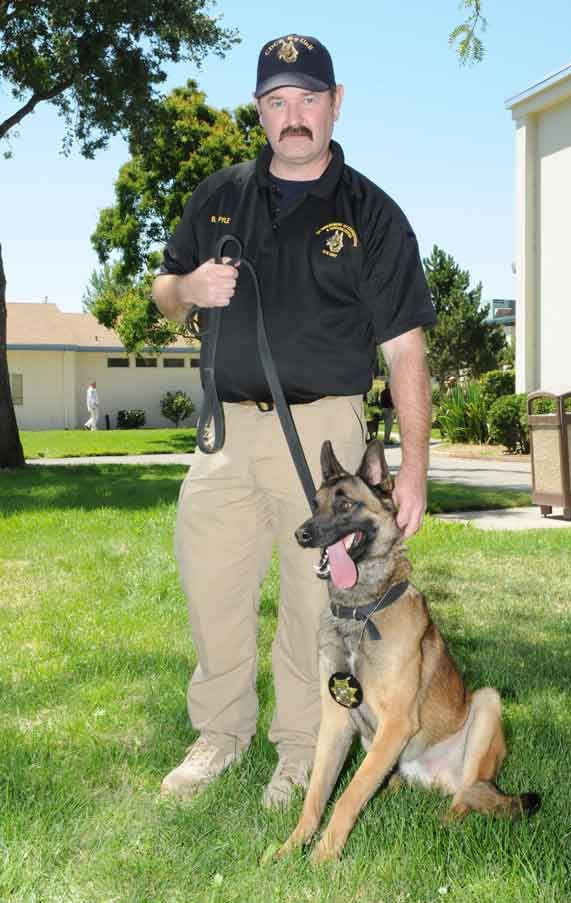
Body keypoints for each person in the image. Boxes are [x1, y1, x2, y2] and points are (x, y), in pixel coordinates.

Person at [152, 33, 436, 807]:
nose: (294, 115)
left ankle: (302, 745)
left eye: (309, 97)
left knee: (321, 605)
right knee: (212, 586)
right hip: (223, 435)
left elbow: (406, 349)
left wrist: (413, 466)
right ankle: (219, 731)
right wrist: (189, 290)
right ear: (260, 111)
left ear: (336, 104)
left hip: (327, 441)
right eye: (277, 101)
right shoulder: (217, 196)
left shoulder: (373, 215)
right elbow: (161, 286)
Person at [380, 380, 396, 444]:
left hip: (384, 409)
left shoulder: (382, 392)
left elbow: (381, 402)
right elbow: (392, 402)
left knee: (386, 425)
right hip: (389, 410)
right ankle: (386, 440)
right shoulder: (391, 392)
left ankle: (386, 439)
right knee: (389, 426)